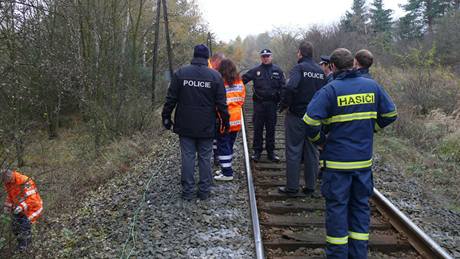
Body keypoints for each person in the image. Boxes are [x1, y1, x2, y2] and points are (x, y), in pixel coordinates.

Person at [303, 48, 397, 258]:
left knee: (337, 211)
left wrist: (320, 141)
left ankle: (338, 255)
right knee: (360, 209)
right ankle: (358, 254)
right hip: (363, 164)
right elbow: (391, 114)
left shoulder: (331, 89)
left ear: (333, 67)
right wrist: (371, 128)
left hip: (337, 166)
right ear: (353, 64)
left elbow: (309, 121)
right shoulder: (372, 86)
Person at [162, 44, 229, 201]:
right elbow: (222, 103)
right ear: (207, 58)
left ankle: (188, 191)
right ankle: (204, 191)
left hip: (185, 124)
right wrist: (225, 123)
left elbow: (171, 98)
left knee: (188, 157)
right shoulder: (215, 76)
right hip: (206, 124)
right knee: (205, 157)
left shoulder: (181, 73)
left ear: (194, 55)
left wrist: (166, 117)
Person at [278, 41, 325, 197]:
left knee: (293, 150)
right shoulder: (320, 71)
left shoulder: (299, 68)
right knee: (312, 151)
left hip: (297, 116)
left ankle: (292, 187)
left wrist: (285, 104)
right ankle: (310, 186)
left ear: (300, 53)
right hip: (315, 118)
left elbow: (290, 87)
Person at [242, 49, 285, 162]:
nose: (265, 58)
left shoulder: (278, 71)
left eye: (267, 56)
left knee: (271, 129)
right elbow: (242, 80)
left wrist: (283, 102)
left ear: (271, 57)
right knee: (258, 128)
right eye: (263, 56)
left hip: (272, 105)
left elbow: (283, 87)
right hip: (259, 104)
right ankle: (257, 152)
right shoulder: (256, 70)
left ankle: (271, 152)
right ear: (261, 58)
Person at [214, 59, 246, 181]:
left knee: (223, 144)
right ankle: (225, 167)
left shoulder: (221, 83)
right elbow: (242, 99)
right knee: (229, 144)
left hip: (224, 118)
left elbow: (218, 101)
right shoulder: (239, 82)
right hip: (237, 118)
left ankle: (227, 173)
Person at [2, 168, 43, 251]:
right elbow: (10, 196)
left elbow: (32, 199)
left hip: (33, 208)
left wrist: (21, 206)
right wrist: (7, 206)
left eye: (4, 179)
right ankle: (21, 245)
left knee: (24, 227)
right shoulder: (8, 183)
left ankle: (25, 248)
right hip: (19, 208)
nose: (4, 182)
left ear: (9, 176)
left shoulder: (25, 181)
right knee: (15, 227)